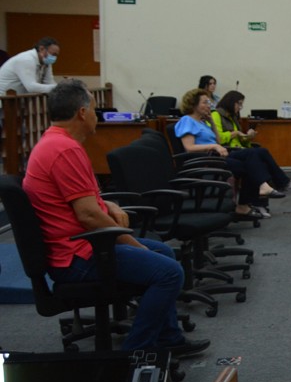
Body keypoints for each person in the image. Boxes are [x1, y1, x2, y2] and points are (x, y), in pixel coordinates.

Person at [22, 80, 209, 356]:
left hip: (77, 246)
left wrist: (107, 203)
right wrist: (135, 245)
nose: (96, 116)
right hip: (78, 256)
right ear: (82, 113)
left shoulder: (54, 142)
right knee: (170, 273)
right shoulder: (65, 150)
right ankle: (134, 351)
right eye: (94, 109)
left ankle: (168, 337)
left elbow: (82, 202)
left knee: (165, 254)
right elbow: (88, 216)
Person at [174, 89, 291, 218]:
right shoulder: (187, 120)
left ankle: (262, 192)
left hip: (218, 155)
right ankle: (276, 187)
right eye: (205, 102)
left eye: (209, 102)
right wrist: (214, 146)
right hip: (205, 160)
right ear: (193, 104)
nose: (209, 105)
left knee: (258, 154)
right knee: (252, 161)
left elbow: (218, 141)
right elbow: (189, 148)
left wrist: (212, 123)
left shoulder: (203, 122)